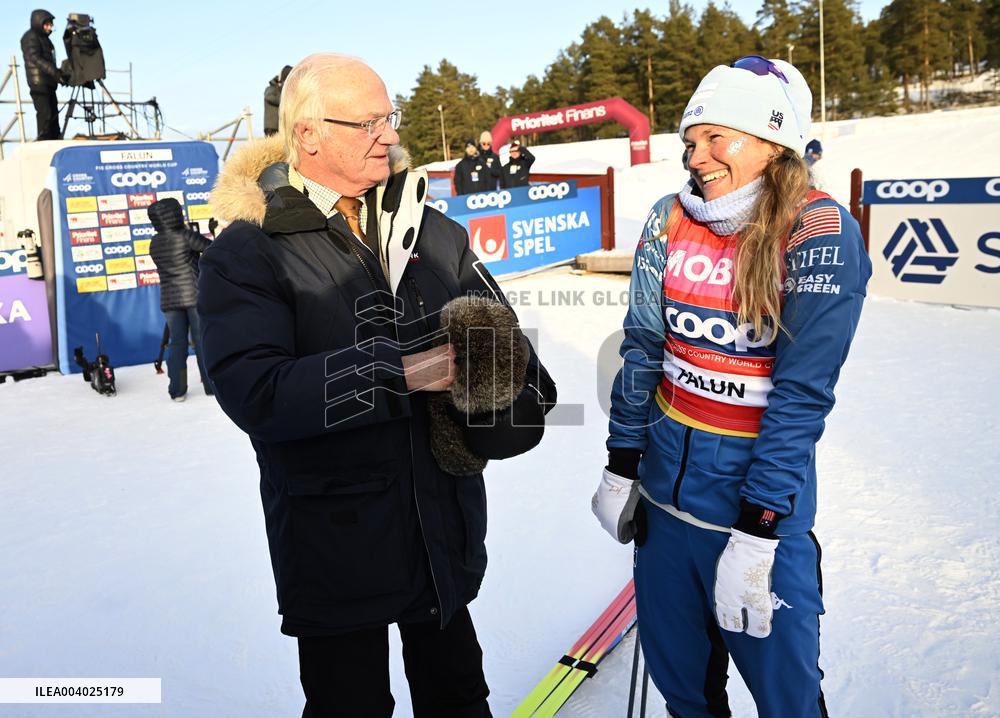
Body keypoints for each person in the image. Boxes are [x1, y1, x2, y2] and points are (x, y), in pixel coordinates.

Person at [198, 53, 555, 718]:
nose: (389, 135)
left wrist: (506, 396)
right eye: (367, 123)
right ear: (307, 134)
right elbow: (258, 391)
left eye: (389, 118)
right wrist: (405, 372)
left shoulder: (431, 230)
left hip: (440, 530)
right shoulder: (249, 249)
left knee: (458, 698)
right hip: (337, 544)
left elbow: (511, 356)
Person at [592, 56, 871, 718]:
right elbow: (644, 349)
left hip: (753, 524)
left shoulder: (820, 230)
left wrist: (759, 527)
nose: (697, 156)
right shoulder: (668, 217)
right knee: (685, 696)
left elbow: (800, 397)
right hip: (664, 512)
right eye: (691, 140)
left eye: (716, 137)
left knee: (787, 703)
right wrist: (621, 464)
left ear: (772, 141)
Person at [147, 198, 212, 401]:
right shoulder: (186, 236)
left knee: (177, 343)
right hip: (194, 296)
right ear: (175, 214)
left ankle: (177, 390)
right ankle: (211, 386)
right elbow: (211, 248)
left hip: (169, 300)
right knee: (202, 341)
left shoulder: (154, 242)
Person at [20, 9, 66, 140]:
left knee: (53, 116)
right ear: (38, 23)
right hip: (39, 83)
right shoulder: (30, 37)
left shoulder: (45, 39)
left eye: (50, 25)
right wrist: (55, 72)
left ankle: (55, 139)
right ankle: (44, 141)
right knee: (45, 115)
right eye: (47, 24)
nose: (49, 28)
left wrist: (59, 74)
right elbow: (35, 58)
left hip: (48, 82)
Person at [263, 65, 293, 137]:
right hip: (272, 126)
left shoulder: (281, 91)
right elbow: (269, 97)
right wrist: (285, 100)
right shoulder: (270, 88)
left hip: (281, 126)